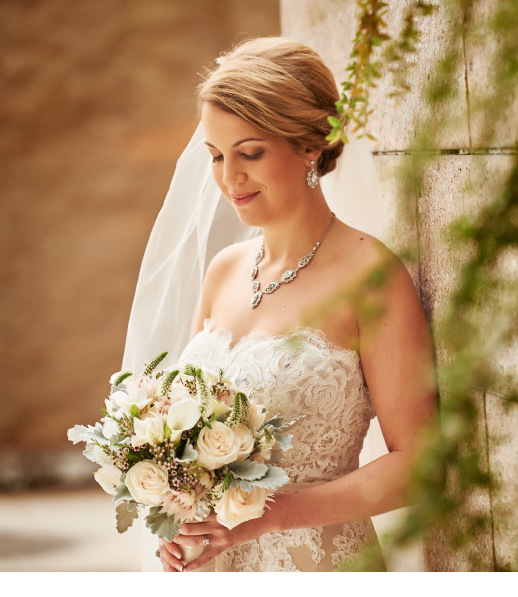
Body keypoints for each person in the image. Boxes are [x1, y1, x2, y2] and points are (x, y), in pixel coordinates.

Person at [128, 37, 437, 571]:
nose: (230, 178)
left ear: (309, 146)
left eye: (250, 153)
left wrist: (273, 513)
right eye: (217, 156)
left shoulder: (370, 276)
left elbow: (420, 462)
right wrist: (177, 514)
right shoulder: (224, 269)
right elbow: (187, 441)